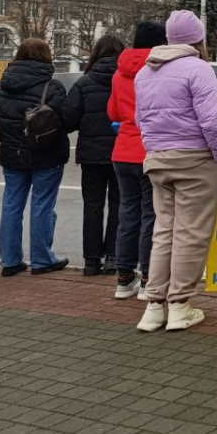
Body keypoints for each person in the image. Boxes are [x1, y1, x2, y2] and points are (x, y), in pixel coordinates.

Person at [133, 11, 217, 332]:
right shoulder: (198, 69)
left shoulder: (144, 72)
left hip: (158, 159)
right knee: (191, 233)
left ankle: (153, 306)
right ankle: (179, 305)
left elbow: (141, 121)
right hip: (195, 160)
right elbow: (212, 121)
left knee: (164, 232)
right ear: (198, 38)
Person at [0, 38, 71, 276]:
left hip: (12, 154)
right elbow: (65, 122)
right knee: (43, 205)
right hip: (46, 154)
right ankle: (41, 260)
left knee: (11, 205)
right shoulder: (53, 86)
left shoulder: (5, 84)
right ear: (46, 57)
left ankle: (9, 261)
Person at [108, 21, 167, 301]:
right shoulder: (159, 69)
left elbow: (113, 112)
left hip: (122, 152)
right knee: (150, 217)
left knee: (127, 215)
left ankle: (123, 279)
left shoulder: (119, 72)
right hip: (149, 150)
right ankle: (147, 278)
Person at [63, 33, 125, 276]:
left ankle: (90, 261)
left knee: (92, 206)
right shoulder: (128, 81)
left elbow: (68, 119)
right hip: (121, 152)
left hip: (90, 155)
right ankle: (113, 257)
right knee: (119, 204)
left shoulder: (84, 83)